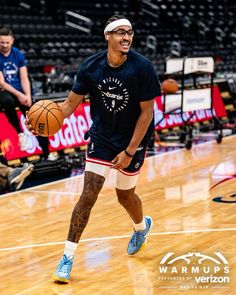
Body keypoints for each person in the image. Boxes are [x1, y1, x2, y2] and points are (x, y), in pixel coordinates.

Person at [27, 15, 161, 283]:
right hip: (101, 138)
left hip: (132, 139)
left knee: (125, 197)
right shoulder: (91, 67)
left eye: (130, 32)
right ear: (107, 36)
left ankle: (140, 226)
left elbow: (147, 114)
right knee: (88, 196)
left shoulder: (142, 67)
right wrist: (42, 124)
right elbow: (68, 105)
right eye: (120, 32)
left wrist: (130, 151)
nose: (126, 37)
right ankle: (67, 257)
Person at [0, 27, 50, 158]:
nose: (4, 45)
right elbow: (1, 83)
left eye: (7, 42)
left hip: (20, 90)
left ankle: (47, 152)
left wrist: (27, 96)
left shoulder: (18, 54)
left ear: (12, 41)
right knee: (7, 101)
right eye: (1, 42)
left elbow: (24, 77)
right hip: (5, 91)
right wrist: (20, 95)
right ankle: (20, 133)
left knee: (35, 114)